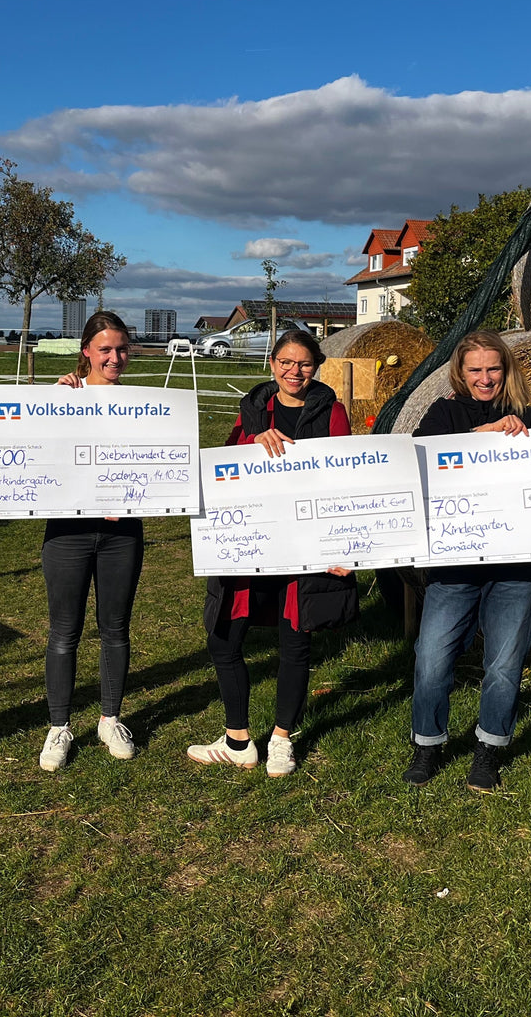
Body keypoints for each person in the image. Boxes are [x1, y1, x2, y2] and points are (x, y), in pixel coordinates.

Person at [402, 330, 531, 792]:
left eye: (493, 369)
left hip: (517, 569)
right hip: (454, 566)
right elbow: (422, 460)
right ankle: (428, 744)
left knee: (504, 663)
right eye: (475, 369)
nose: (485, 378)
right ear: (460, 374)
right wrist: (485, 435)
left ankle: (489, 750)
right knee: (431, 659)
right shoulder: (442, 413)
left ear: (506, 370)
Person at [188, 328, 356, 778]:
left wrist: (343, 543)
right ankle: (238, 739)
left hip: (305, 544)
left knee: (294, 641)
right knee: (224, 636)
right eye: (286, 362)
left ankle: (281, 738)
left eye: (303, 363)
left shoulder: (332, 412)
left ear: (317, 366)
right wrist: (251, 443)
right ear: (272, 364)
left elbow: (346, 477)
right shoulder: (253, 409)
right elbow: (224, 465)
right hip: (251, 540)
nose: (294, 371)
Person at [37, 311, 145, 770]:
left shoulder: (146, 405)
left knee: (115, 628)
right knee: (64, 630)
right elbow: (33, 451)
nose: (115, 357)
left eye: (121, 349)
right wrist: (53, 402)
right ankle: (59, 726)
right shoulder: (64, 397)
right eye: (105, 349)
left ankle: (109, 717)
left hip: (123, 531)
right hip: (68, 531)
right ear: (86, 352)